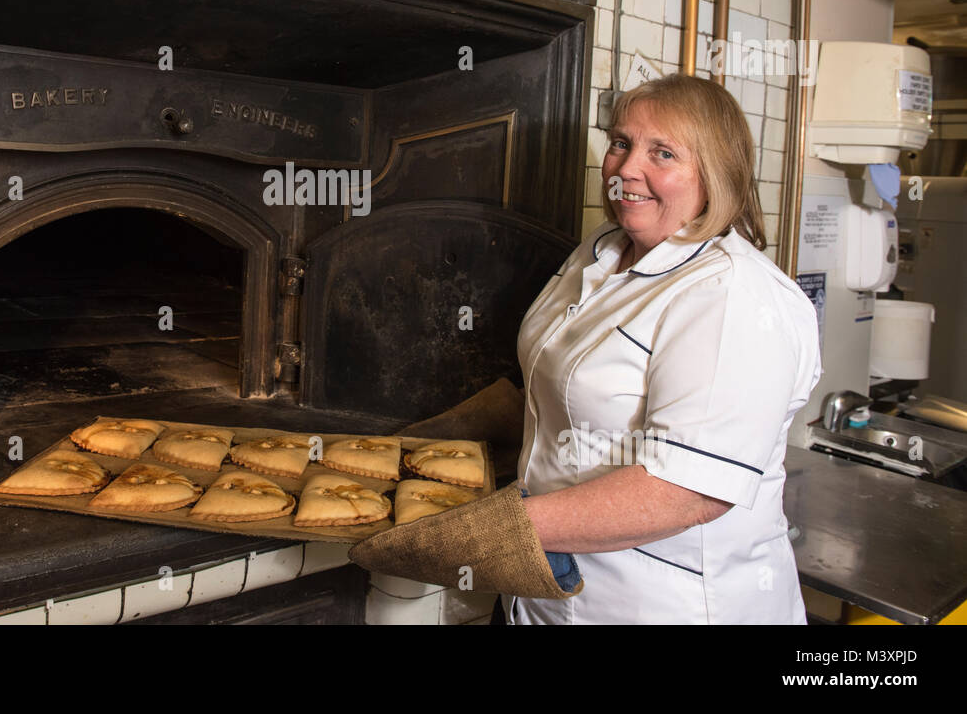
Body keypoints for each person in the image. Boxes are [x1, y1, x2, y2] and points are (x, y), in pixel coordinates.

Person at [351, 74, 822, 624]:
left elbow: (688, 492)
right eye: (621, 143)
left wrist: (479, 532)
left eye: (662, 153)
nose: (625, 169)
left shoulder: (731, 295)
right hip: (549, 589)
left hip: (661, 607)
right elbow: (564, 381)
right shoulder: (599, 253)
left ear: (716, 172)